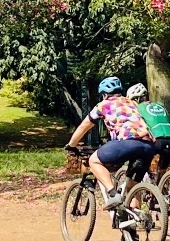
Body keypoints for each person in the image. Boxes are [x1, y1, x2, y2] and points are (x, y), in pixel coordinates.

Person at [66, 77, 155, 206]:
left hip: (126, 142)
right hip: (147, 145)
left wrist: (71, 144)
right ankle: (136, 218)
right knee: (132, 186)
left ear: (105, 94)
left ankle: (113, 194)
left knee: (93, 160)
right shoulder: (132, 103)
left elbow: (84, 125)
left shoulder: (103, 105)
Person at [127, 83, 170, 173]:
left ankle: (143, 180)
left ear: (136, 99)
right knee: (162, 169)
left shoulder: (138, 108)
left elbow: (137, 126)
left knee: (139, 161)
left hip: (156, 141)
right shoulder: (159, 106)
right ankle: (162, 183)